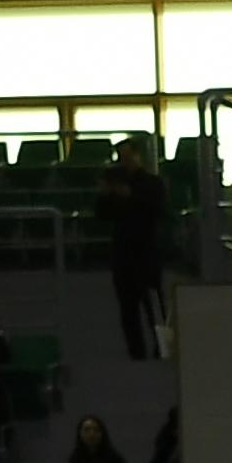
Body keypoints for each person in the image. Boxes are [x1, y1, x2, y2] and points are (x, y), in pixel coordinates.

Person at [98, 139, 169, 361]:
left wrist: (128, 196)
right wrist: (105, 195)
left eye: (128, 157)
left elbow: (156, 210)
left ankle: (162, 347)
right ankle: (136, 351)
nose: (125, 162)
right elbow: (101, 215)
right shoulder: (116, 183)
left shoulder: (152, 183)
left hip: (146, 250)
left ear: (139, 157)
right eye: (122, 157)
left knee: (154, 308)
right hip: (123, 251)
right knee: (128, 307)